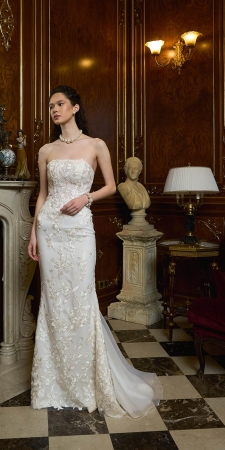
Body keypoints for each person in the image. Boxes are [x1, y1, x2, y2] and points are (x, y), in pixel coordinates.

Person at [28, 85, 162, 418]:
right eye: (50, 106)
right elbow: (43, 195)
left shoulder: (95, 145)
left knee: (80, 298)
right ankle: (53, 385)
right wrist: (33, 232)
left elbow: (110, 186)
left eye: (59, 104)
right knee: (54, 302)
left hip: (78, 230)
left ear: (75, 107)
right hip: (49, 230)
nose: (54, 110)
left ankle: (86, 383)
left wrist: (85, 198)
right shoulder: (46, 150)